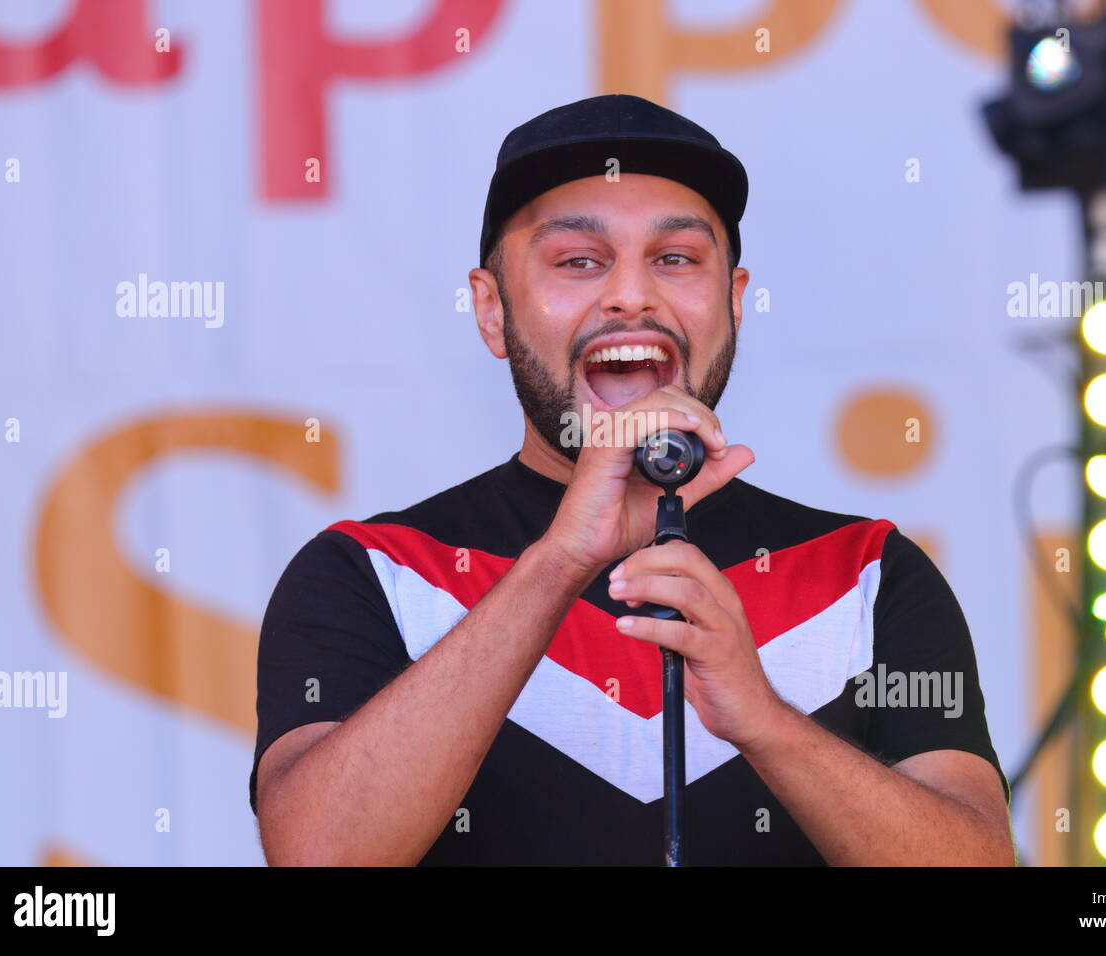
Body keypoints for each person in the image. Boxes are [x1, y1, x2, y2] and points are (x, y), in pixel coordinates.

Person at [250, 94, 1015, 866]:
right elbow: (319, 855)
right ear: (491, 311)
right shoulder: (372, 570)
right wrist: (560, 562)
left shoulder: (866, 571)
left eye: (676, 259)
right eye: (578, 261)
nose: (631, 295)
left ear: (734, 303)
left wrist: (763, 719)